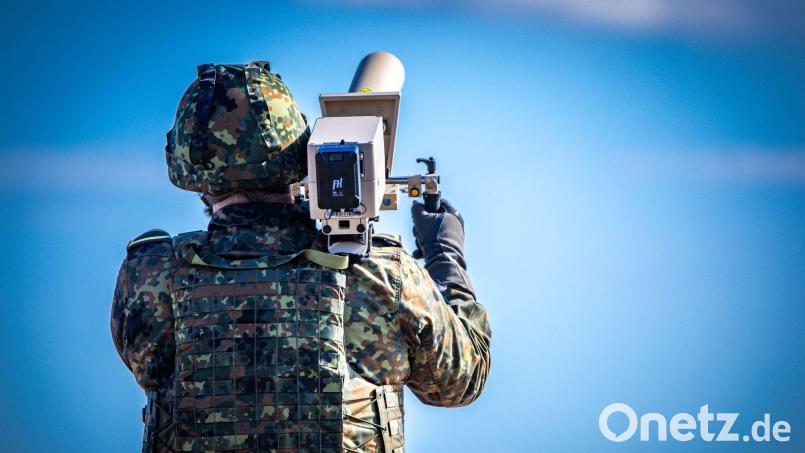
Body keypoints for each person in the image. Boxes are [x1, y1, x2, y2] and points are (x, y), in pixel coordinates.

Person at [111, 61, 491, 453]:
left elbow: (151, 370)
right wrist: (445, 257)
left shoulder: (150, 276)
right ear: (299, 152)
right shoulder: (379, 274)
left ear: (188, 168)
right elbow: (461, 380)